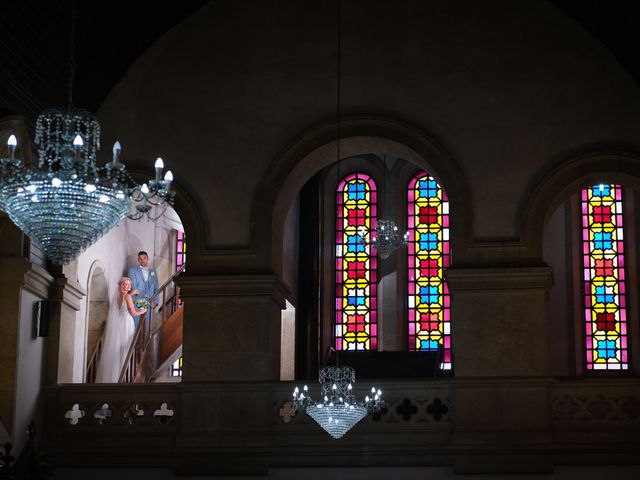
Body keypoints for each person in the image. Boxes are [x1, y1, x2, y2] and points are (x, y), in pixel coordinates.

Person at [95, 277, 147, 383]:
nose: (126, 286)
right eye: (124, 284)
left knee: (118, 349)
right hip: (126, 324)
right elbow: (133, 313)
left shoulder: (118, 296)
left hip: (119, 324)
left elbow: (123, 303)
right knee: (125, 350)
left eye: (128, 285)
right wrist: (143, 311)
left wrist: (131, 294)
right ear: (120, 285)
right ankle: (121, 376)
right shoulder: (127, 296)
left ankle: (116, 376)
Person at [127, 251, 159, 328]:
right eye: (140, 259)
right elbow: (134, 287)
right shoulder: (132, 270)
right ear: (138, 260)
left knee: (148, 328)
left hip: (150, 303)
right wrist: (146, 301)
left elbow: (156, 287)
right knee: (135, 327)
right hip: (137, 301)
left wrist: (156, 301)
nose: (142, 260)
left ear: (147, 259)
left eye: (144, 258)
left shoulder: (152, 272)